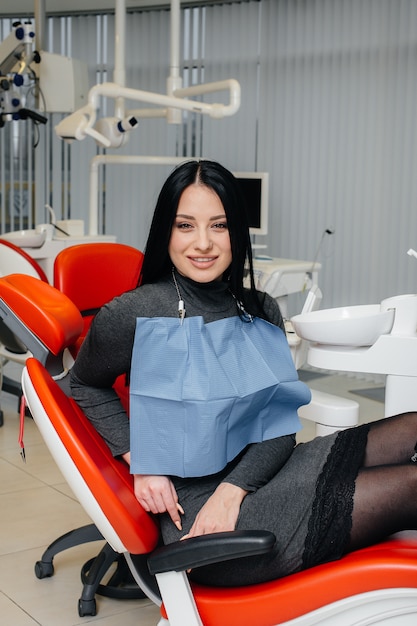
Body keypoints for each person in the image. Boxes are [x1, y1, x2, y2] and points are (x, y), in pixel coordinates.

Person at [70, 159, 417, 587]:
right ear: (166, 231)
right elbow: (83, 383)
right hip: (201, 518)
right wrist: (139, 459)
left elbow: (277, 427)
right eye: (185, 225)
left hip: (257, 477)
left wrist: (232, 490)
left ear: (237, 231)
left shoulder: (260, 308)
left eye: (219, 225)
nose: (203, 243)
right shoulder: (134, 312)